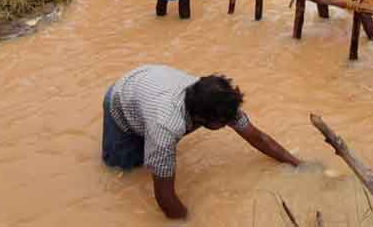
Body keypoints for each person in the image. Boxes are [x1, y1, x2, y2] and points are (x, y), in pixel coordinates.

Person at [101, 64, 300, 219]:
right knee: (125, 169)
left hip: (150, 83)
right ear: (205, 120)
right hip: (122, 98)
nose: (230, 122)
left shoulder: (216, 100)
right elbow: (165, 199)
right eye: (225, 123)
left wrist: (298, 164)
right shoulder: (166, 128)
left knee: (157, 151)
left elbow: (258, 138)